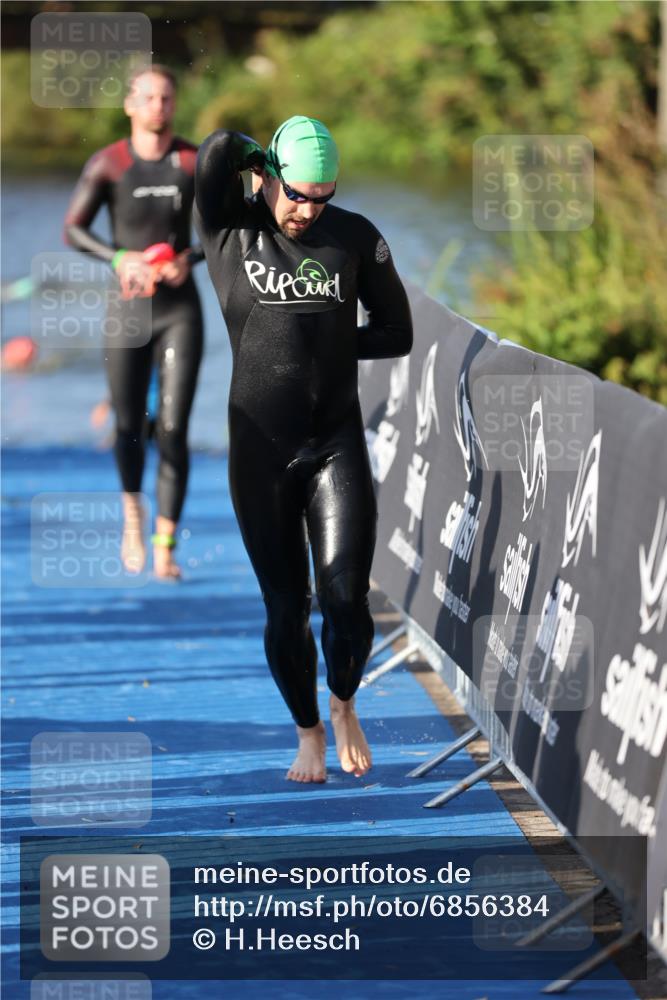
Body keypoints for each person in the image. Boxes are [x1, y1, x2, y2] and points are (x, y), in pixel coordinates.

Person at [194, 116, 412, 782]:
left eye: (321, 196)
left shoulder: (353, 237)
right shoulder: (231, 229)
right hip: (260, 454)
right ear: (266, 177)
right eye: (295, 193)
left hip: (333, 444)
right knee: (287, 610)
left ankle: (344, 701)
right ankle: (309, 731)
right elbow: (213, 152)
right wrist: (261, 157)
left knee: (345, 598)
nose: (305, 209)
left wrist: (336, 344)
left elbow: (396, 331)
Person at [64, 65, 204, 579]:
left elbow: (223, 229)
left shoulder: (190, 161)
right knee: (128, 428)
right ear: (129, 106)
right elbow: (73, 230)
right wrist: (120, 257)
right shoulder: (110, 164)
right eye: (147, 98)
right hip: (127, 311)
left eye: (166, 98)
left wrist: (189, 257)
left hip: (178, 311)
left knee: (173, 429)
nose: (158, 107)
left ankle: (165, 544)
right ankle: (132, 516)